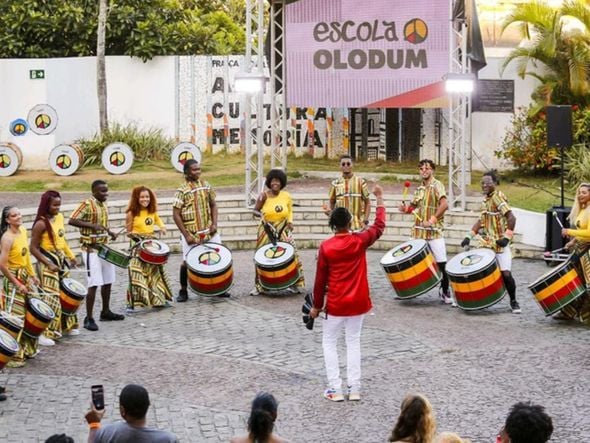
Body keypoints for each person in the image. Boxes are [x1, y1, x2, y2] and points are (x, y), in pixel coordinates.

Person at [310, 184, 385, 402]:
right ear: (350, 222)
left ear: (332, 225)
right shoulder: (359, 241)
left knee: (329, 341)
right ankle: (355, 388)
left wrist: (316, 305)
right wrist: (379, 198)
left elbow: (319, 280)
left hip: (336, 303)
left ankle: (335, 388)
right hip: (359, 302)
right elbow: (379, 226)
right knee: (353, 341)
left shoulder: (326, 247)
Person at [461, 171, 521, 314]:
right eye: (482, 183)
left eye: (488, 182)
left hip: (500, 244)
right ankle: (472, 299)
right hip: (486, 244)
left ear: (495, 183)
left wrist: (506, 238)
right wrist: (469, 236)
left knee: (506, 274)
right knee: (473, 269)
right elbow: (481, 222)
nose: (485, 185)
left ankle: (513, 301)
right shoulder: (485, 201)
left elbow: (512, 218)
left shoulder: (498, 197)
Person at [69, 180, 124, 331]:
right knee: (93, 283)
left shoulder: (103, 204)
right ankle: (89, 318)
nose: (105, 194)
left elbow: (102, 224)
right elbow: (72, 220)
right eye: (102, 191)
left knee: (108, 281)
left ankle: (105, 311)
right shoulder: (87, 204)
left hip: (104, 248)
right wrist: (91, 226)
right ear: (93, 191)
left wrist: (110, 232)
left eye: (106, 191)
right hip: (90, 250)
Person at [399, 159, 451, 305]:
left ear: (432, 170)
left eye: (427, 168)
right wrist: (404, 209)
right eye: (421, 169)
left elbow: (444, 205)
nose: (424, 171)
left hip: (434, 232)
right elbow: (412, 208)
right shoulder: (419, 189)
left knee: (442, 264)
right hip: (418, 232)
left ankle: (445, 291)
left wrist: (432, 220)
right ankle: (405, 290)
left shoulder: (437, 185)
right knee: (406, 261)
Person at [30, 190, 80, 342]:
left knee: (67, 295)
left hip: (60, 260)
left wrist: (71, 256)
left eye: (59, 205)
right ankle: (46, 332)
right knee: (51, 298)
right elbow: (33, 248)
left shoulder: (59, 218)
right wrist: (48, 263)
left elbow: (61, 240)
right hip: (47, 262)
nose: (57, 208)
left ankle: (67, 326)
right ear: (46, 205)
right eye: (54, 205)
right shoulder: (40, 223)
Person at [172, 159, 222, 302]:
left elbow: (213, 205)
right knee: (186, 262)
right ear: (186, 172)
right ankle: (183, 290)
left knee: (218, 258)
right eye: (194, 170)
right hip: (191, 233)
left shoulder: (206, 186)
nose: (198, 172)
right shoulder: (181, 190)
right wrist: (186, 235)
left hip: (208, 231)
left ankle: (220, 288)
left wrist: (214, 224)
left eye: (199, 169)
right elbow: (176, 214)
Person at [250, 168, 305, 296]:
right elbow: (255, 210)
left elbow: (290, 210)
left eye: (278, 181)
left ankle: (294, 283)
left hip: (283, 228)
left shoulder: (286, 195)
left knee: (292, 254)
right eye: (273, 181)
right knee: (261, 256)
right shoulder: (263, 195)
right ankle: (259, 286)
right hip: (266, 228)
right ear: (269, 182)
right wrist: (261, 215)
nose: (276, 183)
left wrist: (290, 222)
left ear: (282, 183)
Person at [0, 206, 40, 367]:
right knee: (15, 318)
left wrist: (32, 275)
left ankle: (27, 348)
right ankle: (13, 354)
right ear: (7, 220)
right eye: (14, 215)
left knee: (31, 313)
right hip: (13, 278)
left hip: (24, 276)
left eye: (19, 213)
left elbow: (26, 257)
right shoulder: (7, 238)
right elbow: (2, 265)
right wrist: (17, 284)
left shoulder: (23, 230)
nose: (18, 217)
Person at [125, 186, 173, 309]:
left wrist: (162, 227)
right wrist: (138, 238)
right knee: (136, 274)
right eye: (142, 197)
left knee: (155, 272)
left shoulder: (152, 211)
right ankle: (132, 303)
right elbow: (128, 232)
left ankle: (159, 299)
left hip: (151, 245)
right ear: (136, 198)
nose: (145, 199)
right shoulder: (131, 213)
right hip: (137, 246)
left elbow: (158, 220)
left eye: (147, 197)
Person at [85, 384, 178, 443]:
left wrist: (94, 425)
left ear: (122, 410)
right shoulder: (168, 439)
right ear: (147, 406)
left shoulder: (105, 433)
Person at [557, 182, 590, 324]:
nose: (580, 195)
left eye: (584, 192)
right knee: (576, 282)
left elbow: (589, 233)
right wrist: (573, 241)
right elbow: (583, 232)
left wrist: (569, 232)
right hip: (580, 249)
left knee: (586, 284)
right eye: (579, 192)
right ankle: (568, 312)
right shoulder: (584, 210)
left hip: (587, 252)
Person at [327, 154, 371, 231]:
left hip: (358, 226)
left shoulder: (361, 182)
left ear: (352, 165)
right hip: (341, 228)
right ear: (340, 166)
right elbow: (332, 202)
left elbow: (368, 202)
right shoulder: (335, 183)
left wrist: (365, 221)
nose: (346, 166)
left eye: (348, 164)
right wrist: (332, 217)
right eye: (343, 164)